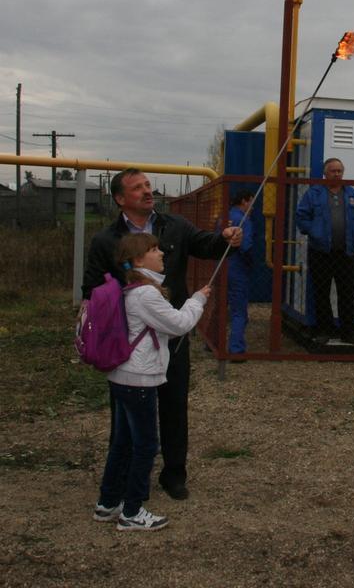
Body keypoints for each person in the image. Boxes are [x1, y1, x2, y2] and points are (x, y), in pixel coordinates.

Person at [82, 168, 242, 501]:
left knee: (174, 404)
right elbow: (92, 289)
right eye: (137, 188)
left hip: (174, 337)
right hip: (128, 344)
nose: (146, 191)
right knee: (126, 412)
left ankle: (174, 475)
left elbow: (207, 245)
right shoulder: (105, 240)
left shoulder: (176, 226)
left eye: (148, 185)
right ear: (120, 199)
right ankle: (124, 476)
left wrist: (226, 238)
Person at [93, 233, 210, 531]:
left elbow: (161, 328)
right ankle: (131, 512)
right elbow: (180, 324)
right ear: (138, 259)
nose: (161, 254)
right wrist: (197, 299)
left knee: (122, 442)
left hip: (123, 376)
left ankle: (108, 504)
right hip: (139, 379)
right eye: (154, 249)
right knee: (146, 445)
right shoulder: (146, 294)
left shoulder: (133, 290)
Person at [295, 157, 354, 348]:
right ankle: (323, 331)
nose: (337, 174)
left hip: (346, 254)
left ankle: (349, 333)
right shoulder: (313, 194)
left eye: (340, 171)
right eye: (333, 171)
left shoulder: (352, 194)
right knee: (321, 293)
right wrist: (314, 232)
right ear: (325, 173)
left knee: (347, 294)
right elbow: (301, 217)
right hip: (320, 253)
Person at [227, 190, 254, 355]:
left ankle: (212, 342)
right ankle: (236, 349)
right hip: (237, 268)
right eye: (251, 202)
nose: (252, 207)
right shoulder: (244, 220)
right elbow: (246, 246)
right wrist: (251, 262)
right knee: (238, 310)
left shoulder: (225, 215)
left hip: (222, 265)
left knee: (219, 306)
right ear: (244, 201)